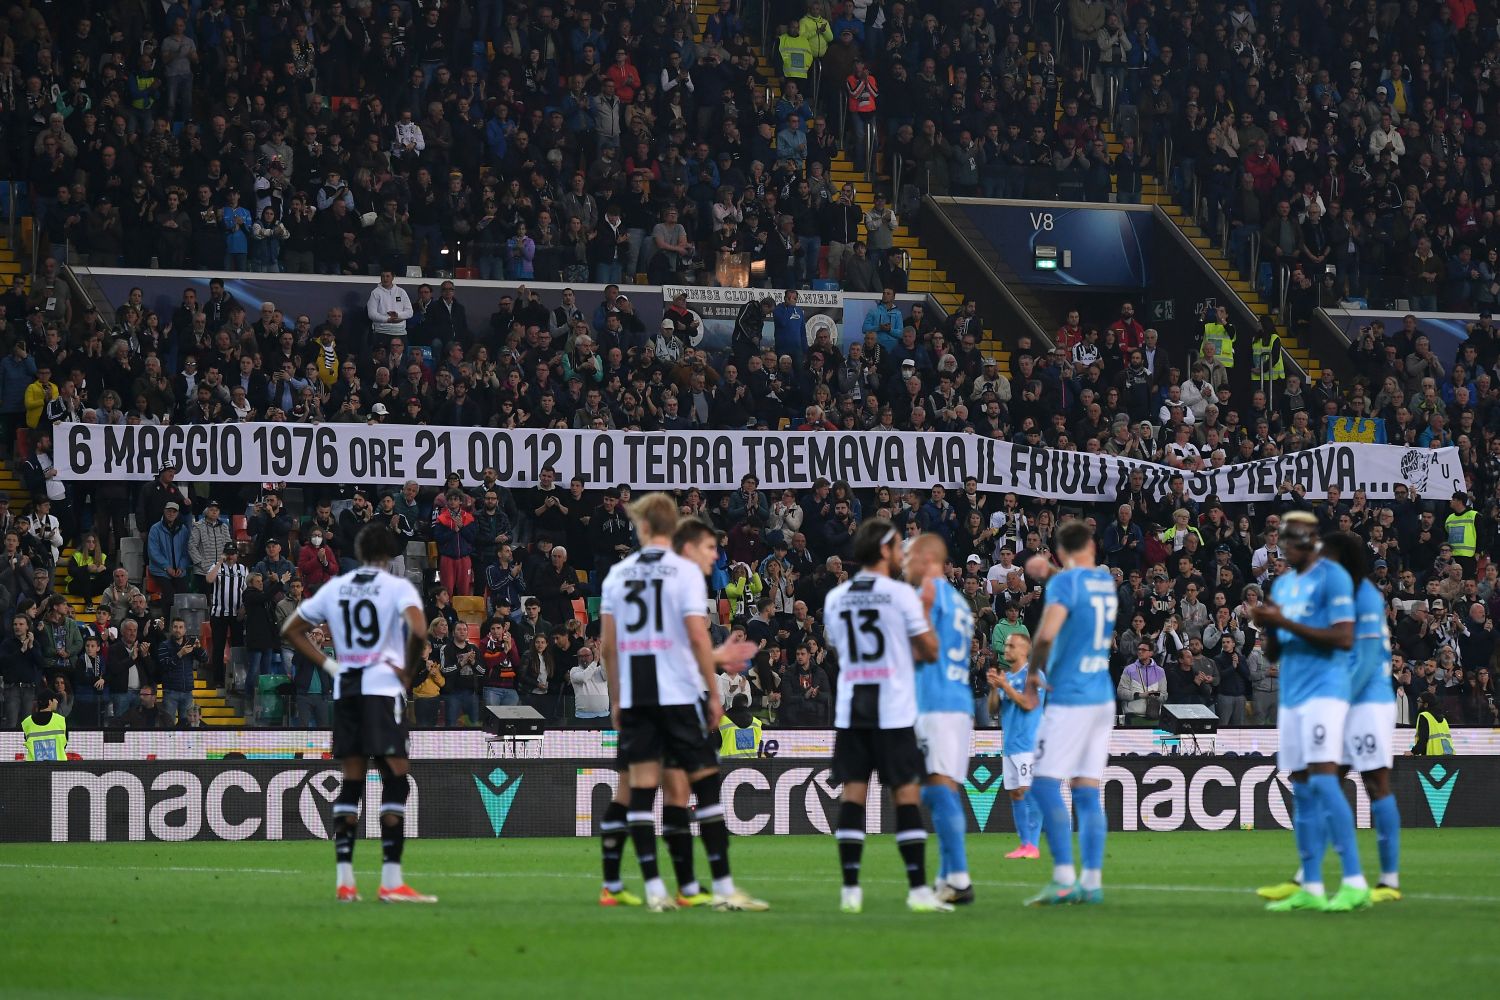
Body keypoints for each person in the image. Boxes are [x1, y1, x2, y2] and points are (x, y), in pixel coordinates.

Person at [598, 495, 764, 913]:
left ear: (641, 527)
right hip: (676, 695)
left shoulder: (617, 575)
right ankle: (723, 887)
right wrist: (713, 689)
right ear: (672, 526)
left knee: (641, 792)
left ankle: (659, 889)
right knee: (704, 785)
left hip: (636, 699)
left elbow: (608, 646)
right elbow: (694, 635)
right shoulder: (683, 573)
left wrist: (618, 700)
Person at [280, 523, 436, 904]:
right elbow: (419, 630)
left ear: (360, 552)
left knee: (351, 780)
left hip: (346, 688)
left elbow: (291, 629)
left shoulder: (336, 586)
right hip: (382, 689)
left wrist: (331, 666)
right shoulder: (397, 587)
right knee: (395, 777)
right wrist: (406, 670)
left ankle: (346, 882)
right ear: (389, 555)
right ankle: (391, 880)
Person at [821, 518, 949, 914]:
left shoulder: (836, 597)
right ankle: (917, 890)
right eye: (896, 548)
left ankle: (850, 891)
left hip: (851, 710)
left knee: (853, 796)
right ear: (882, 551)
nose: (900, 555)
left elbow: (840, 650)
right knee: (906, 796)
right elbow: (930, 649)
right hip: (893, 711)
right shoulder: (901, 595)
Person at [1250, 510, 1367, 913]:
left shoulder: (1331, 577)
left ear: (1311, 539)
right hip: (1293, 696)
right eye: (1283, 540)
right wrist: (1267, 626)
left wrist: (1284, 621)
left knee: (1322, 779)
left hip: (1325, 692)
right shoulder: (1282, 587)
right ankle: (1312, 885)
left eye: (1294, 539)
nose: (1287, 547)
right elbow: (1274, 651)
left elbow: (1343, 636)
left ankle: (1353, 880)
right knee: (1300, 785)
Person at [1020, 519, 1115, 906]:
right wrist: (1052, 571)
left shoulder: (1064, 585)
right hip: (1102, 697)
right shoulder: (1104, 582)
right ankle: (1091, 882)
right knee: (1087, 792)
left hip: (1070, 695)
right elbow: (1078, 583)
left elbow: (1044, 635)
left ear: (1059, 552)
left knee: (1043, 783)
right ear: (1091, 546)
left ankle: (1062, 878)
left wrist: (1030, 679)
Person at [1322, 532, 1402, 903]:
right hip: (1349, 700)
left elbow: (1368, 660)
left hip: (1368, 701)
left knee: (1374, 783)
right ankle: (1312, 875)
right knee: (1326, 782)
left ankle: (1388, 880)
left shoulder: (1365, 596)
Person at [905, 532, 977, 905]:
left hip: (934, 700)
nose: (905, 565)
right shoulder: (959, 601)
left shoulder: (928, 595)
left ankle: (960, 879)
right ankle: (948, 878)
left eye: (909, 557)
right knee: (942, 788)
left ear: (926, 559)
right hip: (958, 701)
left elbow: (920, 649)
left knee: (935, 788)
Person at [987, 633, 1045, 860]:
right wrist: (994, 687)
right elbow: (993, 710)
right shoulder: (1008, 677)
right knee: (1015, 794)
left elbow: (1029, 703)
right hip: (1010, 744)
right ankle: (1024, 844)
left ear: (1025, 649)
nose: (1006, 648)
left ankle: (1033, 844)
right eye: (1006, 645)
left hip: (1029, 744)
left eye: (1012, 645)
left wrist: (1005, 686)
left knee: (1028, 792)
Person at [22, 689, 67, 760]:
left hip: (33, 769)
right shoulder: (60, 720)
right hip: (58, 768)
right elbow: (64, 744)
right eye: (55, 699)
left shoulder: (26, 723)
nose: (57, 701)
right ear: (50, 702)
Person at [1408, 691, 1453, 755]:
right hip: (1448, 756)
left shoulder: (1424, 716)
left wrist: (1413, 752)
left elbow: (1423, 739)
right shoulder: (1443, 719)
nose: (1417, 703)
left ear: (1426, 704)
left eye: (1419, 701)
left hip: (1431, 757)